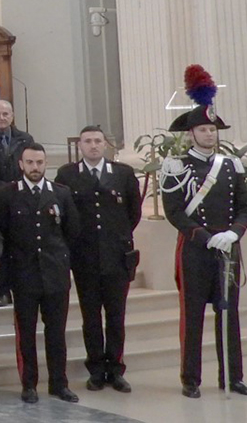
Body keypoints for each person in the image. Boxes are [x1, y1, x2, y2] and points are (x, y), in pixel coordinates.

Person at [161, 75, 247, 399]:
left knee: (228, 314)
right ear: (191, 133)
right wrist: (205, 237)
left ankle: (233, 377)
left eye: (213, 129)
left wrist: (234, 232)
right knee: (192, 316)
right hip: (195, 250)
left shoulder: (231, 165)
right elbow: (174, 212)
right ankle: (191, 378)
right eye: (204, 129)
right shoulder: (177, 166)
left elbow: (245, 207)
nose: (209, 133)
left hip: (228, 249)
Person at [55, 125, 141, 393]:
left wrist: (118, 237)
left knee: (116, 316)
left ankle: (115, 369)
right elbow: (65, 216)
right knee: (90, 317)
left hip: (117, 257)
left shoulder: (123, 174)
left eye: (97, 141)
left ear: (105, 145)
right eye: (88, 141)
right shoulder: (67, 175)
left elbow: (133, 212)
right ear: (80, 145)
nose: (93, 145)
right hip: (84, 258)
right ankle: (95, 368)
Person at [0, 143, 81, 403]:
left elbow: (72, 231)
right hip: (23, 276)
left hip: (55, 275)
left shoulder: (61, 194)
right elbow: (2, 237)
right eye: (30, 163)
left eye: (39, 162)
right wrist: (4, 281)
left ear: (45, 164)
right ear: (21, 164)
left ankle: (59, 383)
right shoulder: (7, 195)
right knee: (27, 335)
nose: (35, 167)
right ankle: (29, 384)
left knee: (56, 334)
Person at [0, 99, 33, 197]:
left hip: (22, 193)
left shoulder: (26, 139)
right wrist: (3, 188)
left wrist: (17, 186)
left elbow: (30, 165)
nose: (1, 117)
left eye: (5, 114)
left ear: (12, 116)